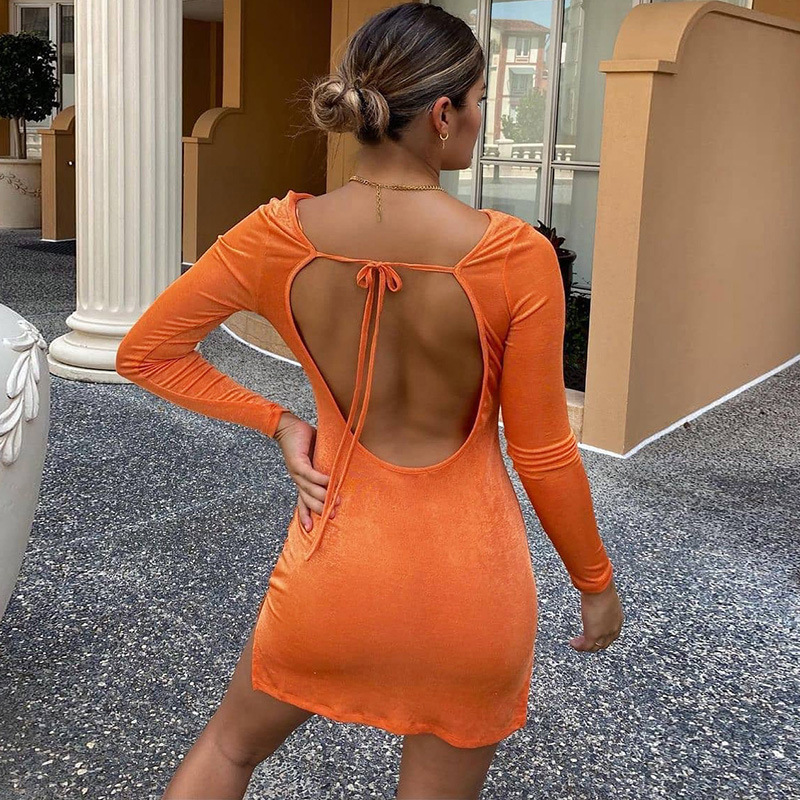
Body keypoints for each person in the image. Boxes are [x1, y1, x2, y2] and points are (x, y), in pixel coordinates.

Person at [115, 4, 624, 798]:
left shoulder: (275, 236)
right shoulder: (514, 256)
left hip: (332, 576)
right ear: (444, 113)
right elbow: (543, 452)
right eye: (480, 101)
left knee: (230, 749)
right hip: (472, 595)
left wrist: (279, 422)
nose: (480, 119)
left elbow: (145, 353)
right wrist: (595, 585)